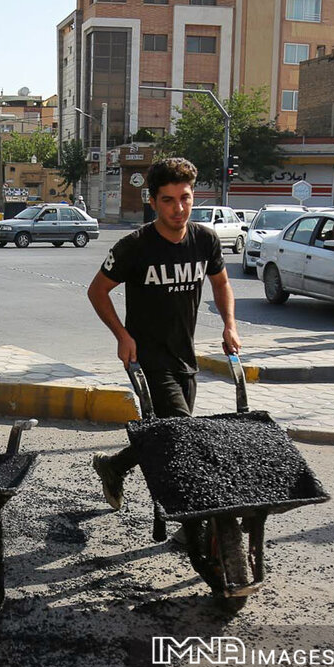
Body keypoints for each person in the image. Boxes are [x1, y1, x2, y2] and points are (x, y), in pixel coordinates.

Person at [87, 157, 241, 512]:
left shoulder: (205, 240)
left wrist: (229, 324)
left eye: (185, 198)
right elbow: (97, 291)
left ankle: (113, 466)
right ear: (153, 201)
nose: (179, 208)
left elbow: (222, 283)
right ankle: (193, 522)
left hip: (185, 356)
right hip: (148, 358)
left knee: (165, 434)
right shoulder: (135, 246)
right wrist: (122, 336)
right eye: (168, 200)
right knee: (181, 434)